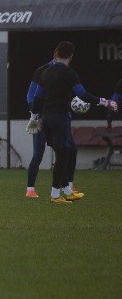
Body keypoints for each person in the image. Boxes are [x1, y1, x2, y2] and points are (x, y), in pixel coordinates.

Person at [30, 41, 117, 204]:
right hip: (59, 117)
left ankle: (68, 191)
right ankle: (55, 195)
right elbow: (82, 94)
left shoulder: (45, 73)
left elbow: (36, 99)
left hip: (46, 118)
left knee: (62, 154)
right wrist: (105, 102)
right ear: (70, 56)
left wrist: (33, 118)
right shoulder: (69, 73)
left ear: (57, 54)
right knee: (63, 156)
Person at [24, 54, 80, 198]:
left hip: (57, 117)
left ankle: (67, 186)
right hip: (43, 118)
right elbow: (31, 96)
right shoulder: (43, 71)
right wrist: (35, 116)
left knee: (69, 150)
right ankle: (30, 189)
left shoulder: (63, 72)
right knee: (39, 154)